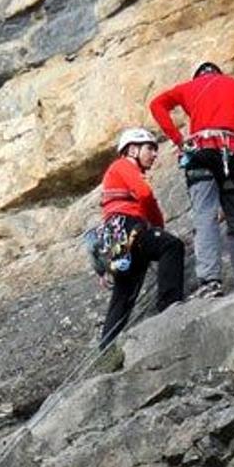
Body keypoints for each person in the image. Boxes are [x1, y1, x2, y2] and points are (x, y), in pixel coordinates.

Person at [149, 60, 234, 295]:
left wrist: (179, 140)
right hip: (233, 156)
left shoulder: (187, 88)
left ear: (198, 76)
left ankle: (210, 281)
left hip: (202, 154)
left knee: (205, 217)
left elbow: (156, 105)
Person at [95, 127, 185, 346]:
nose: (154, 154)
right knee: (172, 246)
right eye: (150, 149)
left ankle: (106, 346)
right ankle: (169, 305)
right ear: (133, 150)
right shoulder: (122, 165)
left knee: (124, 293)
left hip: (119, 238)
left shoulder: (118, 172)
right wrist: (158, 226)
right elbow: (145, 195)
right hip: (129, 227)